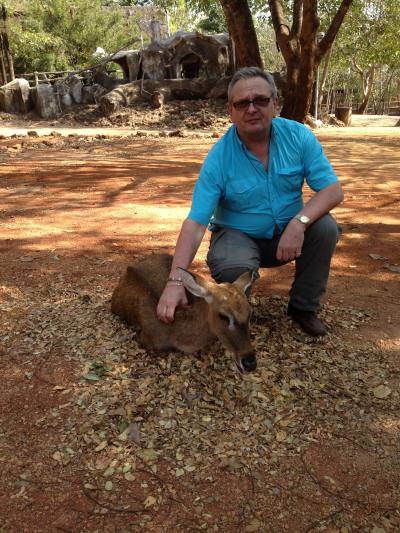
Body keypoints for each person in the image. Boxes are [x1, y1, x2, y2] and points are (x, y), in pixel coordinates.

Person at [156, 66, 343, 337]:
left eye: (261, 100)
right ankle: (238, 311)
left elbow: (333, 190)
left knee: (324, 228)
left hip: (289, 237)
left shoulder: (299, 137)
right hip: (238, 237)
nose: (251, 109)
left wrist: (299, 223)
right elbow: (196, 224)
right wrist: (175, 281)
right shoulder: (219, 158)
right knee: (231, 262)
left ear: (275, 103)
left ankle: (303, 308)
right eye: (242, 103)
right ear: (230, 112)